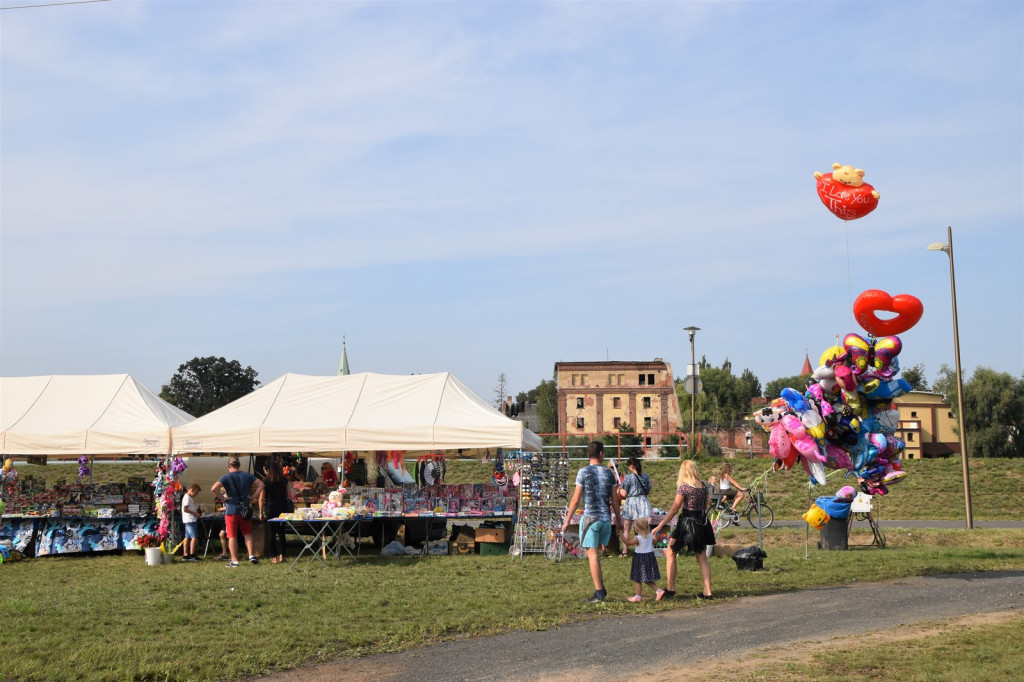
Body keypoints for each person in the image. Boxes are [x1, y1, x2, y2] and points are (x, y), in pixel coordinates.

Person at [562, 441, 621, 603]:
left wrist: (567, 520)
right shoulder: (609, 474)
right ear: (601, 454)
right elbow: (615, 501)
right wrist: (620, 521)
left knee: (592, 555)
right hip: (605, 520)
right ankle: (601, 586)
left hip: (590, 519)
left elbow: (575, 500)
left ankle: (599, 592)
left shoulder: (583, 472)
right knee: (593, 553)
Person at [653, 460, 715, 600]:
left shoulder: (684, 488)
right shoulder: (703, 486)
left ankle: (670, 588)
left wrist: (660, 525)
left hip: (686, 522)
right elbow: (705, 506)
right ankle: (708, 591)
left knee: (670, 551)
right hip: (701, 522)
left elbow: (674, 509)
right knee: (702, 557)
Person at [211, 457, 264, 568]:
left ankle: (234, 561)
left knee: (232, 535)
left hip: (231, 510)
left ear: (229, 466)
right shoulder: (247, 475)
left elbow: (213, 488)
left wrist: (223, 498)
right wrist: (253, 496)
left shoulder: (226, 477)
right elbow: (261, 484)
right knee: (247, 533)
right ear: (239, 465)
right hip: (245, 509)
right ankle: (251, 555)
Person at [618, 517, 664, 602]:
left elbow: (628, 543)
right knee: (640, 578)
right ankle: (638, 596)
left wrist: (621, 534)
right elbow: (655, 542)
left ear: (637, 528)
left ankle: (657, 591)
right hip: (649, 558)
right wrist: (656, 536)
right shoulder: (650, 536)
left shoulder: (638, 538)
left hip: (640, 559)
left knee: (639, 578)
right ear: (647, 527)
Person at [617, 456, 653, 557]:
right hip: (643, 502)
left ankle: (625, 551)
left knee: (626, 529)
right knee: (644, 528)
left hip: (631, 503)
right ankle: (645, 549)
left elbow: (624, 494)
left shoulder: (628, 477)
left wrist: (619, 489)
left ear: (631, 466)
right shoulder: (645, 476)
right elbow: (648, 490)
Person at [259, 460, 290, 565]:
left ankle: (274, 556)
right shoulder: (284, 479)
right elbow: (289, 495)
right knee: (281, 532)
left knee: (271, 532)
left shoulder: (265, 481)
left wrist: (260, 512)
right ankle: (282, 555)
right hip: (282, 508)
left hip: (270, 508)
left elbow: (261, 499)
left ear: (267, 470)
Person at [181, 483, 202, 562]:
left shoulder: (189, 497)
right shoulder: (187, 497)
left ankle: (186, 555)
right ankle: (192, 555)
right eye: (196, 493)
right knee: (194, 537)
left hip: (189, 519)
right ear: (192, 490)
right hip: (190, 519)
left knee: (187, 537)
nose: (196, 495)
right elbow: (185, 509)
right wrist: (195, 513)